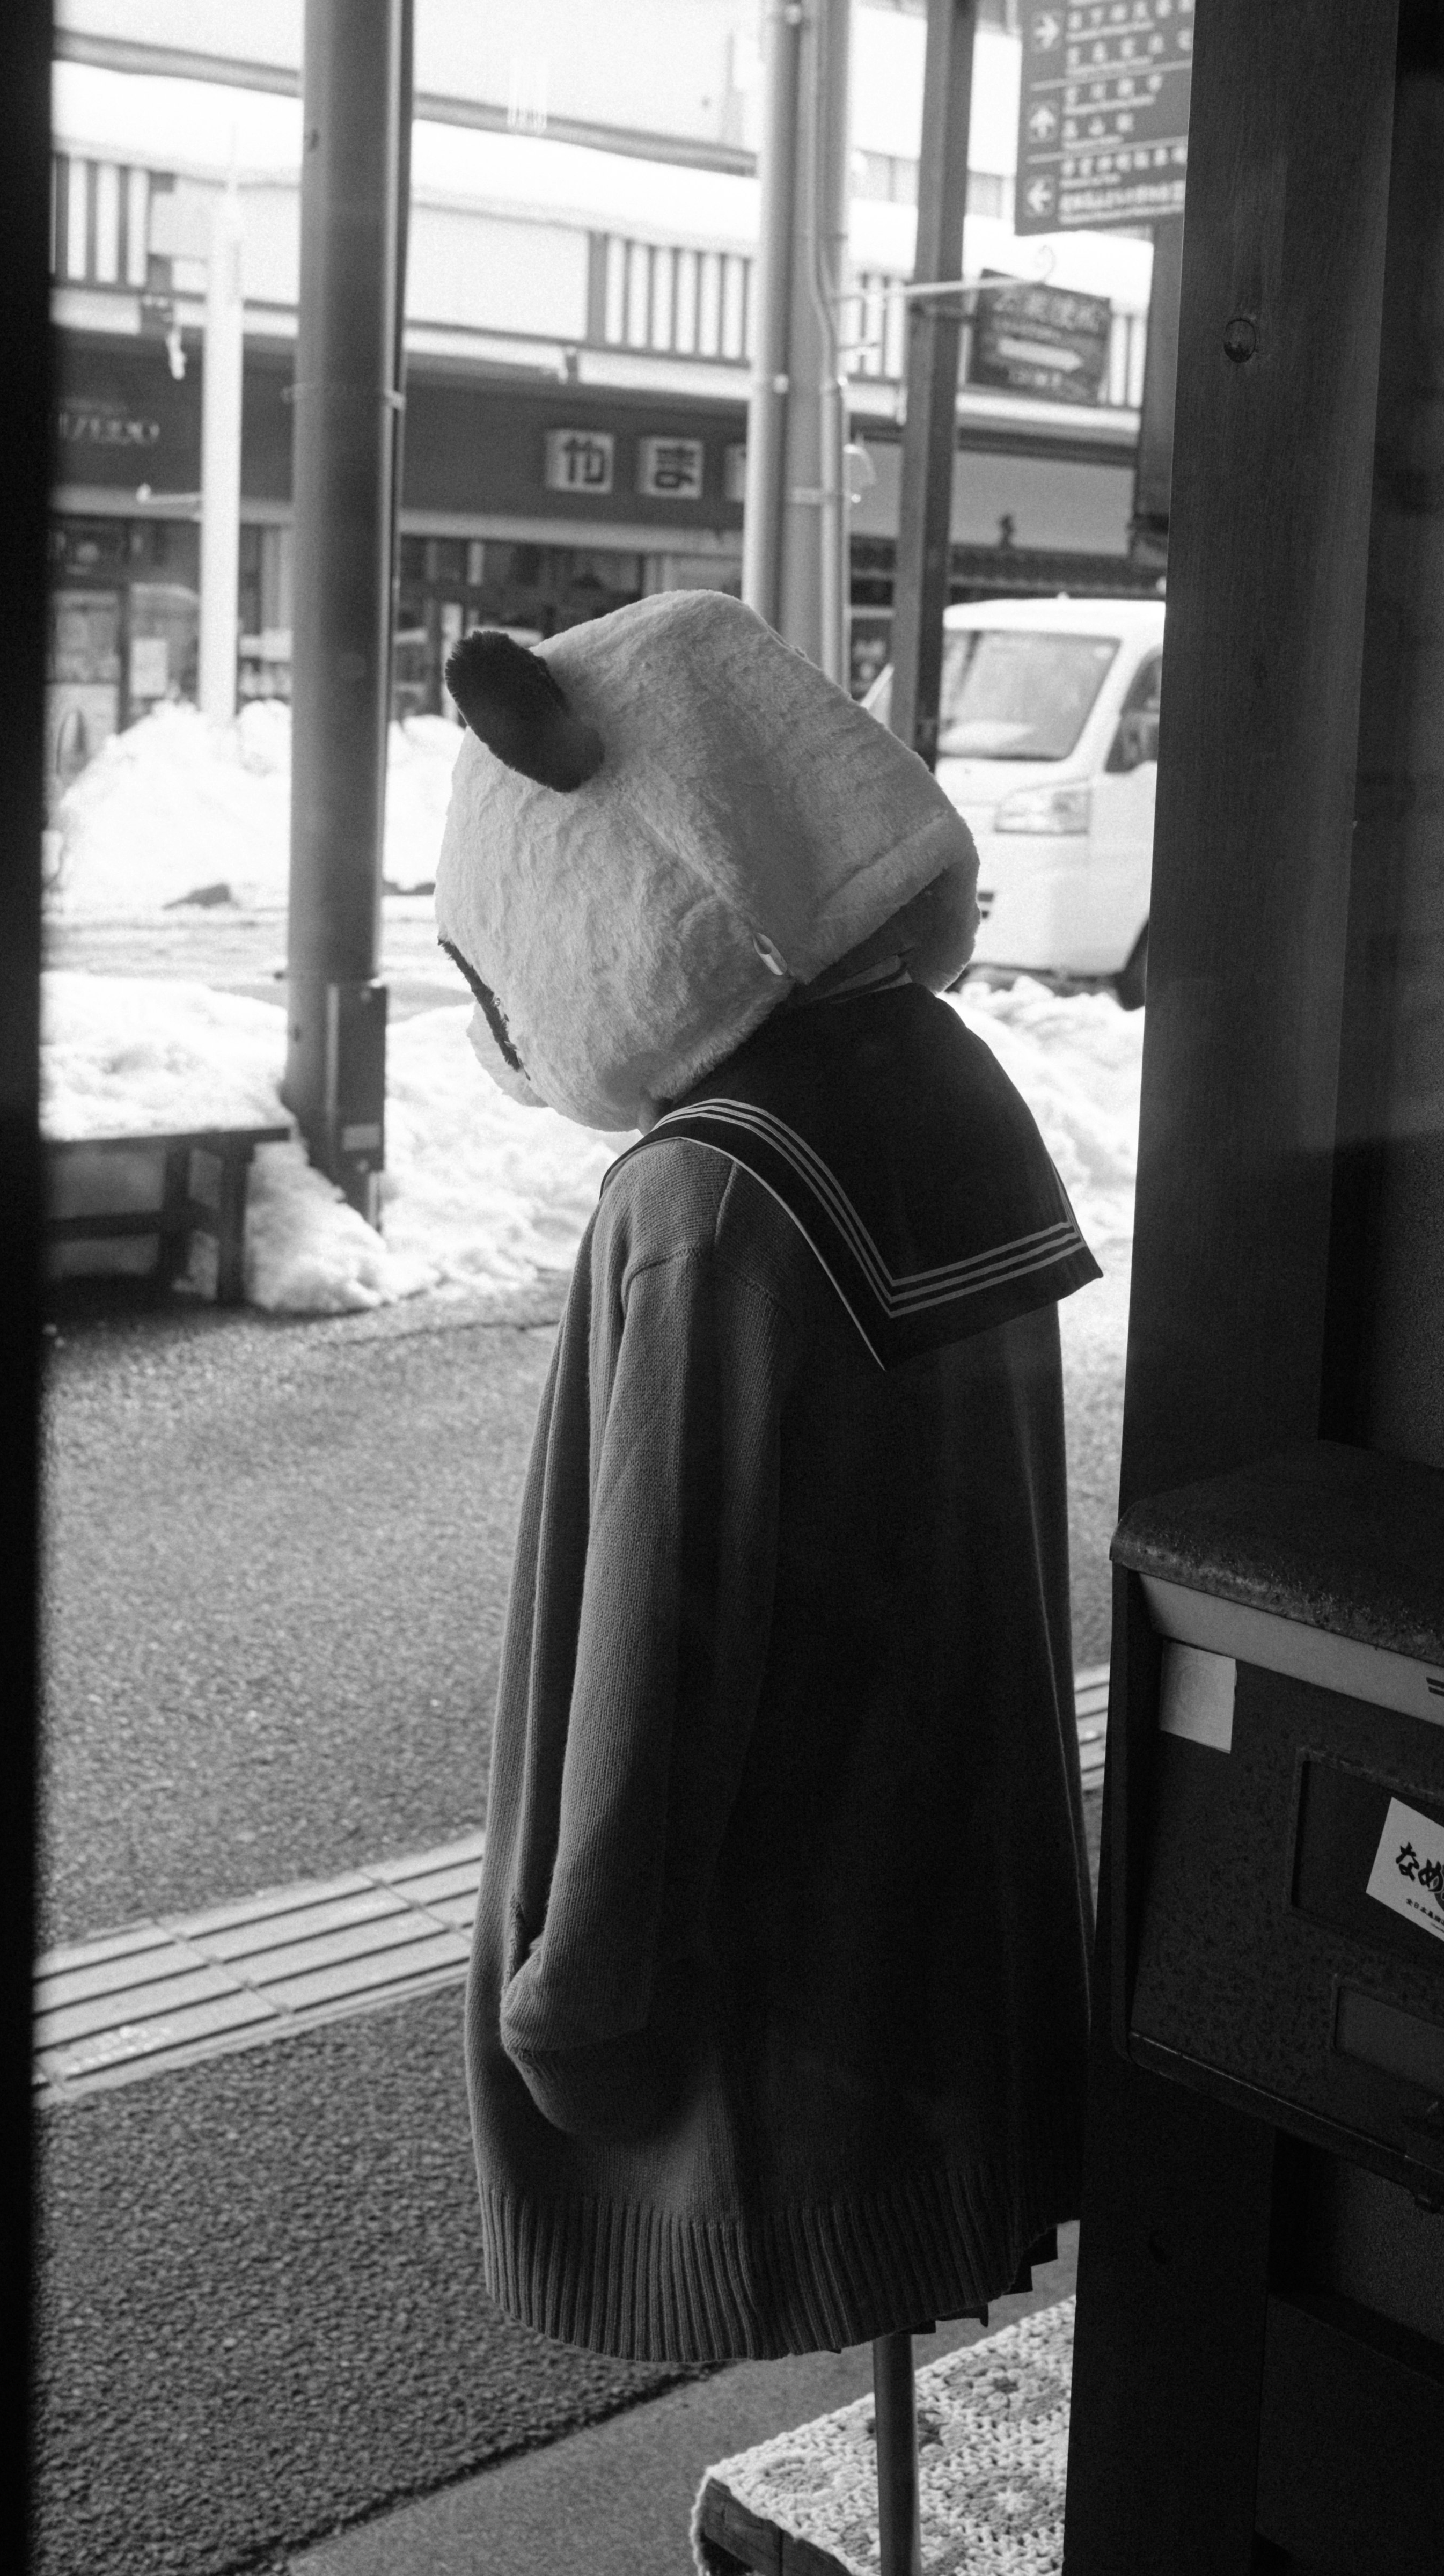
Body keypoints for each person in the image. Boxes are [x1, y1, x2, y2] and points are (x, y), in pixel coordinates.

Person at [438, 593, 1098, 2362]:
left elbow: (657, 1628)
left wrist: (580, 1996)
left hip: (778, 2010)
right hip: (951, 1945)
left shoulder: (703, 1191)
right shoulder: (943, 1086)